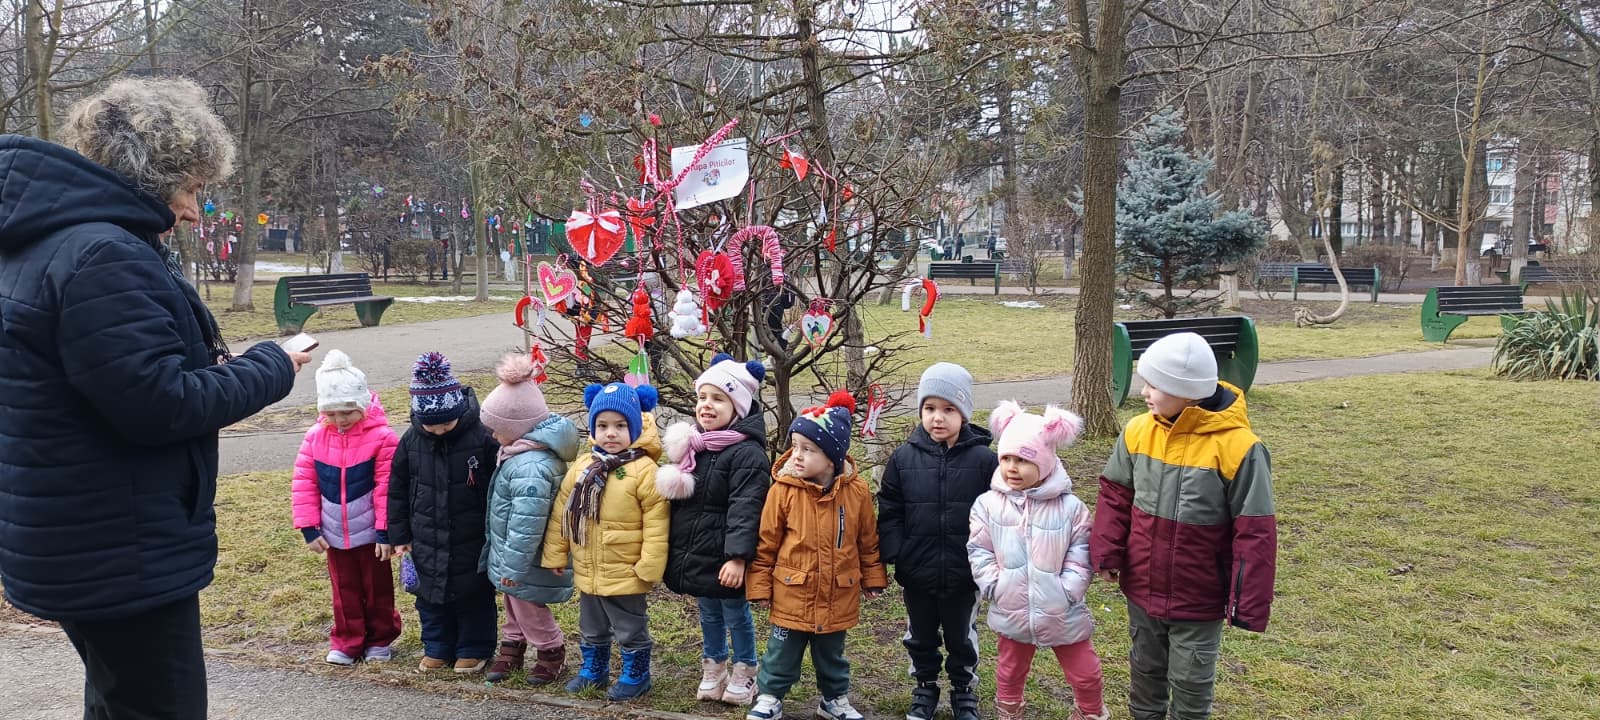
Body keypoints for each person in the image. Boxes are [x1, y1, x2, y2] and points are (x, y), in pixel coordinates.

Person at [0, 77, 307, 719]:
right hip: (119, 545)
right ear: (150, 178)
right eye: (190, 189)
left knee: (119, 698)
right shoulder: (103, 255)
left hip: (78, 533)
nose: (195, 212)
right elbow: (161, 404)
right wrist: (272, 365)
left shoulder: (48, 241)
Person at [1091, 332, 1278, 720]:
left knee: (1192, 681)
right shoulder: (1137, 431)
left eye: (1154, 385)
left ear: (1187, 391)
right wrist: (1107, 553)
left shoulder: (1241, 448)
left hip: (1199, 596)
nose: (1144, 392)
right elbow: (1116, 495)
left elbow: (1255, 529)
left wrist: (1246, 601)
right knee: (1145, 671)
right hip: (1143, 586)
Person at [746, 391, 888, 720]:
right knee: (781, 652)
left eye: (808, 450)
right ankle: (769, 697)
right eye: (795, 446)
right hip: (792, 592)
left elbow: (868, 541)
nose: (797, 456)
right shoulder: (783, 491)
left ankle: (834, 699)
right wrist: (759, 586)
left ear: (832, 457)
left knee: (832, 655)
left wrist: (873, 578)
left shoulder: (857, 492)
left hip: (838, 592)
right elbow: (766, 544)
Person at [968, 402, 1106, 720]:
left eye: (1023, 460)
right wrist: (995, 585)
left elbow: (1081, 551)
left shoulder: (1071, 508)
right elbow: (979, 550)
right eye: (1006, 458)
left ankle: (1090, 712)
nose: (1012, 467)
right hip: (1012, 605)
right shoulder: (987, 505)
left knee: (1086, 672)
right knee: (1009, 671)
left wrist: (1068, 590)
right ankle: (1009, 712)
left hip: (1062, 609)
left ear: (1044, 462)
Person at [877, 363, 996, 720]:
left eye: (948, 409)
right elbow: (890, 506)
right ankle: (925, 687)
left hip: (965, 572)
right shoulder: (903, 458)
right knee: (920, 636)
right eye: (929, 408)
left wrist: (989, 556)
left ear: (964, 413)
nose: (937, 418)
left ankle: (964, 690)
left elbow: (997, 511)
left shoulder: (984, 461)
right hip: (918, 570)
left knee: (962, 637)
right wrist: (897, 551)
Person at [541, 382, 667, 700]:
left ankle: (636, 673)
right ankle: (593, 669)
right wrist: (556, 554)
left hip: (626, 568)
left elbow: (657, 524)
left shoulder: (644, 470)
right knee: (592, 623)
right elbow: (562, 513)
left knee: (629, 625)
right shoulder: (584, 466)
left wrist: (649, 565)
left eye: (620, 426)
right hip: (589, 564)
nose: (611, 433)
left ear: (634, 428)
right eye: (603, 425)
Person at [657, 354, 771, 705]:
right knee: (707, 612)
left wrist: (737, 557)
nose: (707, 405)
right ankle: (714, 666)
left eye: (718, 399)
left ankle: (746, 670)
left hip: (726, 556)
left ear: (738, 407)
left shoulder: (747, 454)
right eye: (702, 397)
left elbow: (746, 508)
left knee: (736, 615)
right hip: (700, 553)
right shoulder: (695, 447)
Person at [387, 352, 501, 674]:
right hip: (424, 535)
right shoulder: (411, 440)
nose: (437, 431)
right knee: (429, 597)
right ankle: (437, 646)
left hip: (470, 535)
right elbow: (397, 488)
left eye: (446, 425)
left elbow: (497, 484)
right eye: (430, 425)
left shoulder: (482, 437)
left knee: (472, 595)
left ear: (458, 412)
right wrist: (399, 534)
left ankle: (474, 648)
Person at [292, 351, 403, 666]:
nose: (339, 420)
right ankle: (347, 640)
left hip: (371, 534)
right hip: (333, 533)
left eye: (347, 412)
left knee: (378, 589)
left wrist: (385, 531)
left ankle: (380, 638)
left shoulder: (383, 438)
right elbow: (304, 482)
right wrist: (309, 527)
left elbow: (387, 487)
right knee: (344, 590)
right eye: (331, 413)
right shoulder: (315, 438)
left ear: (363, 406)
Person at [479, 353, 580, 685]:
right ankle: (513, 642)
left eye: (496, 429)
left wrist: (513, 566)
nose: (493, 436)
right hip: (514, 554)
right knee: (515, 599)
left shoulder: (531, 467)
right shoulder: (519, 454)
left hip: (526, 555)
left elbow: (528, 522)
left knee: (528, 603)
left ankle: (551, 649)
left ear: (516, 427)